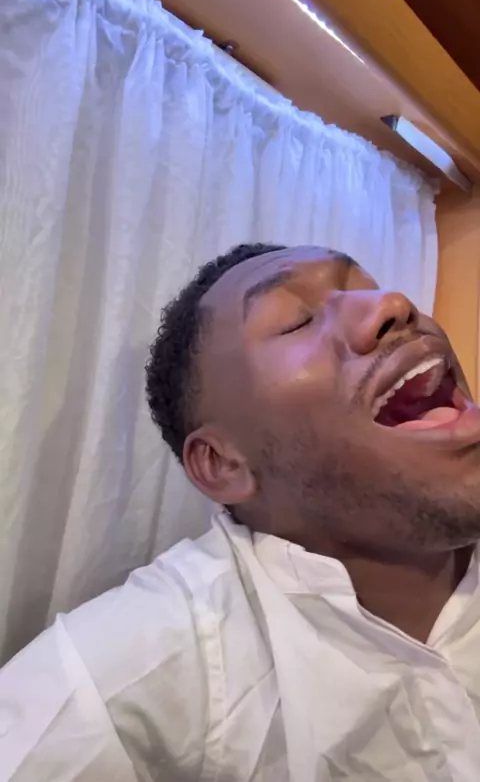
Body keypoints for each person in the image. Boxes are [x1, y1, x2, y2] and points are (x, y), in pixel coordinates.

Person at [2, 242, 480, 782]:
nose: (393, 304)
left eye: (371, 287)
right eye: (296, 321)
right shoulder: (133, 669)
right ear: (222, 464)